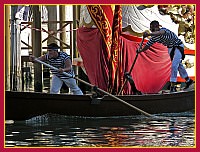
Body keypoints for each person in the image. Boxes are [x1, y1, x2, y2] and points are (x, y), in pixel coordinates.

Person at [137, 20, 194, 92]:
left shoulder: (163, 30)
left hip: (178, 46)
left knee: (174, 65)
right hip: (170, 48)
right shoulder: (154, 37)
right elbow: (148, 45)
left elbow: (160, 33)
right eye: (150, 28)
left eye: (152, 28)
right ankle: (188, 80)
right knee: (179, 65)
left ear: (156, 27)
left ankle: (172, 86)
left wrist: (149, 34)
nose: (151, 29)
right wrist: (140, 51)